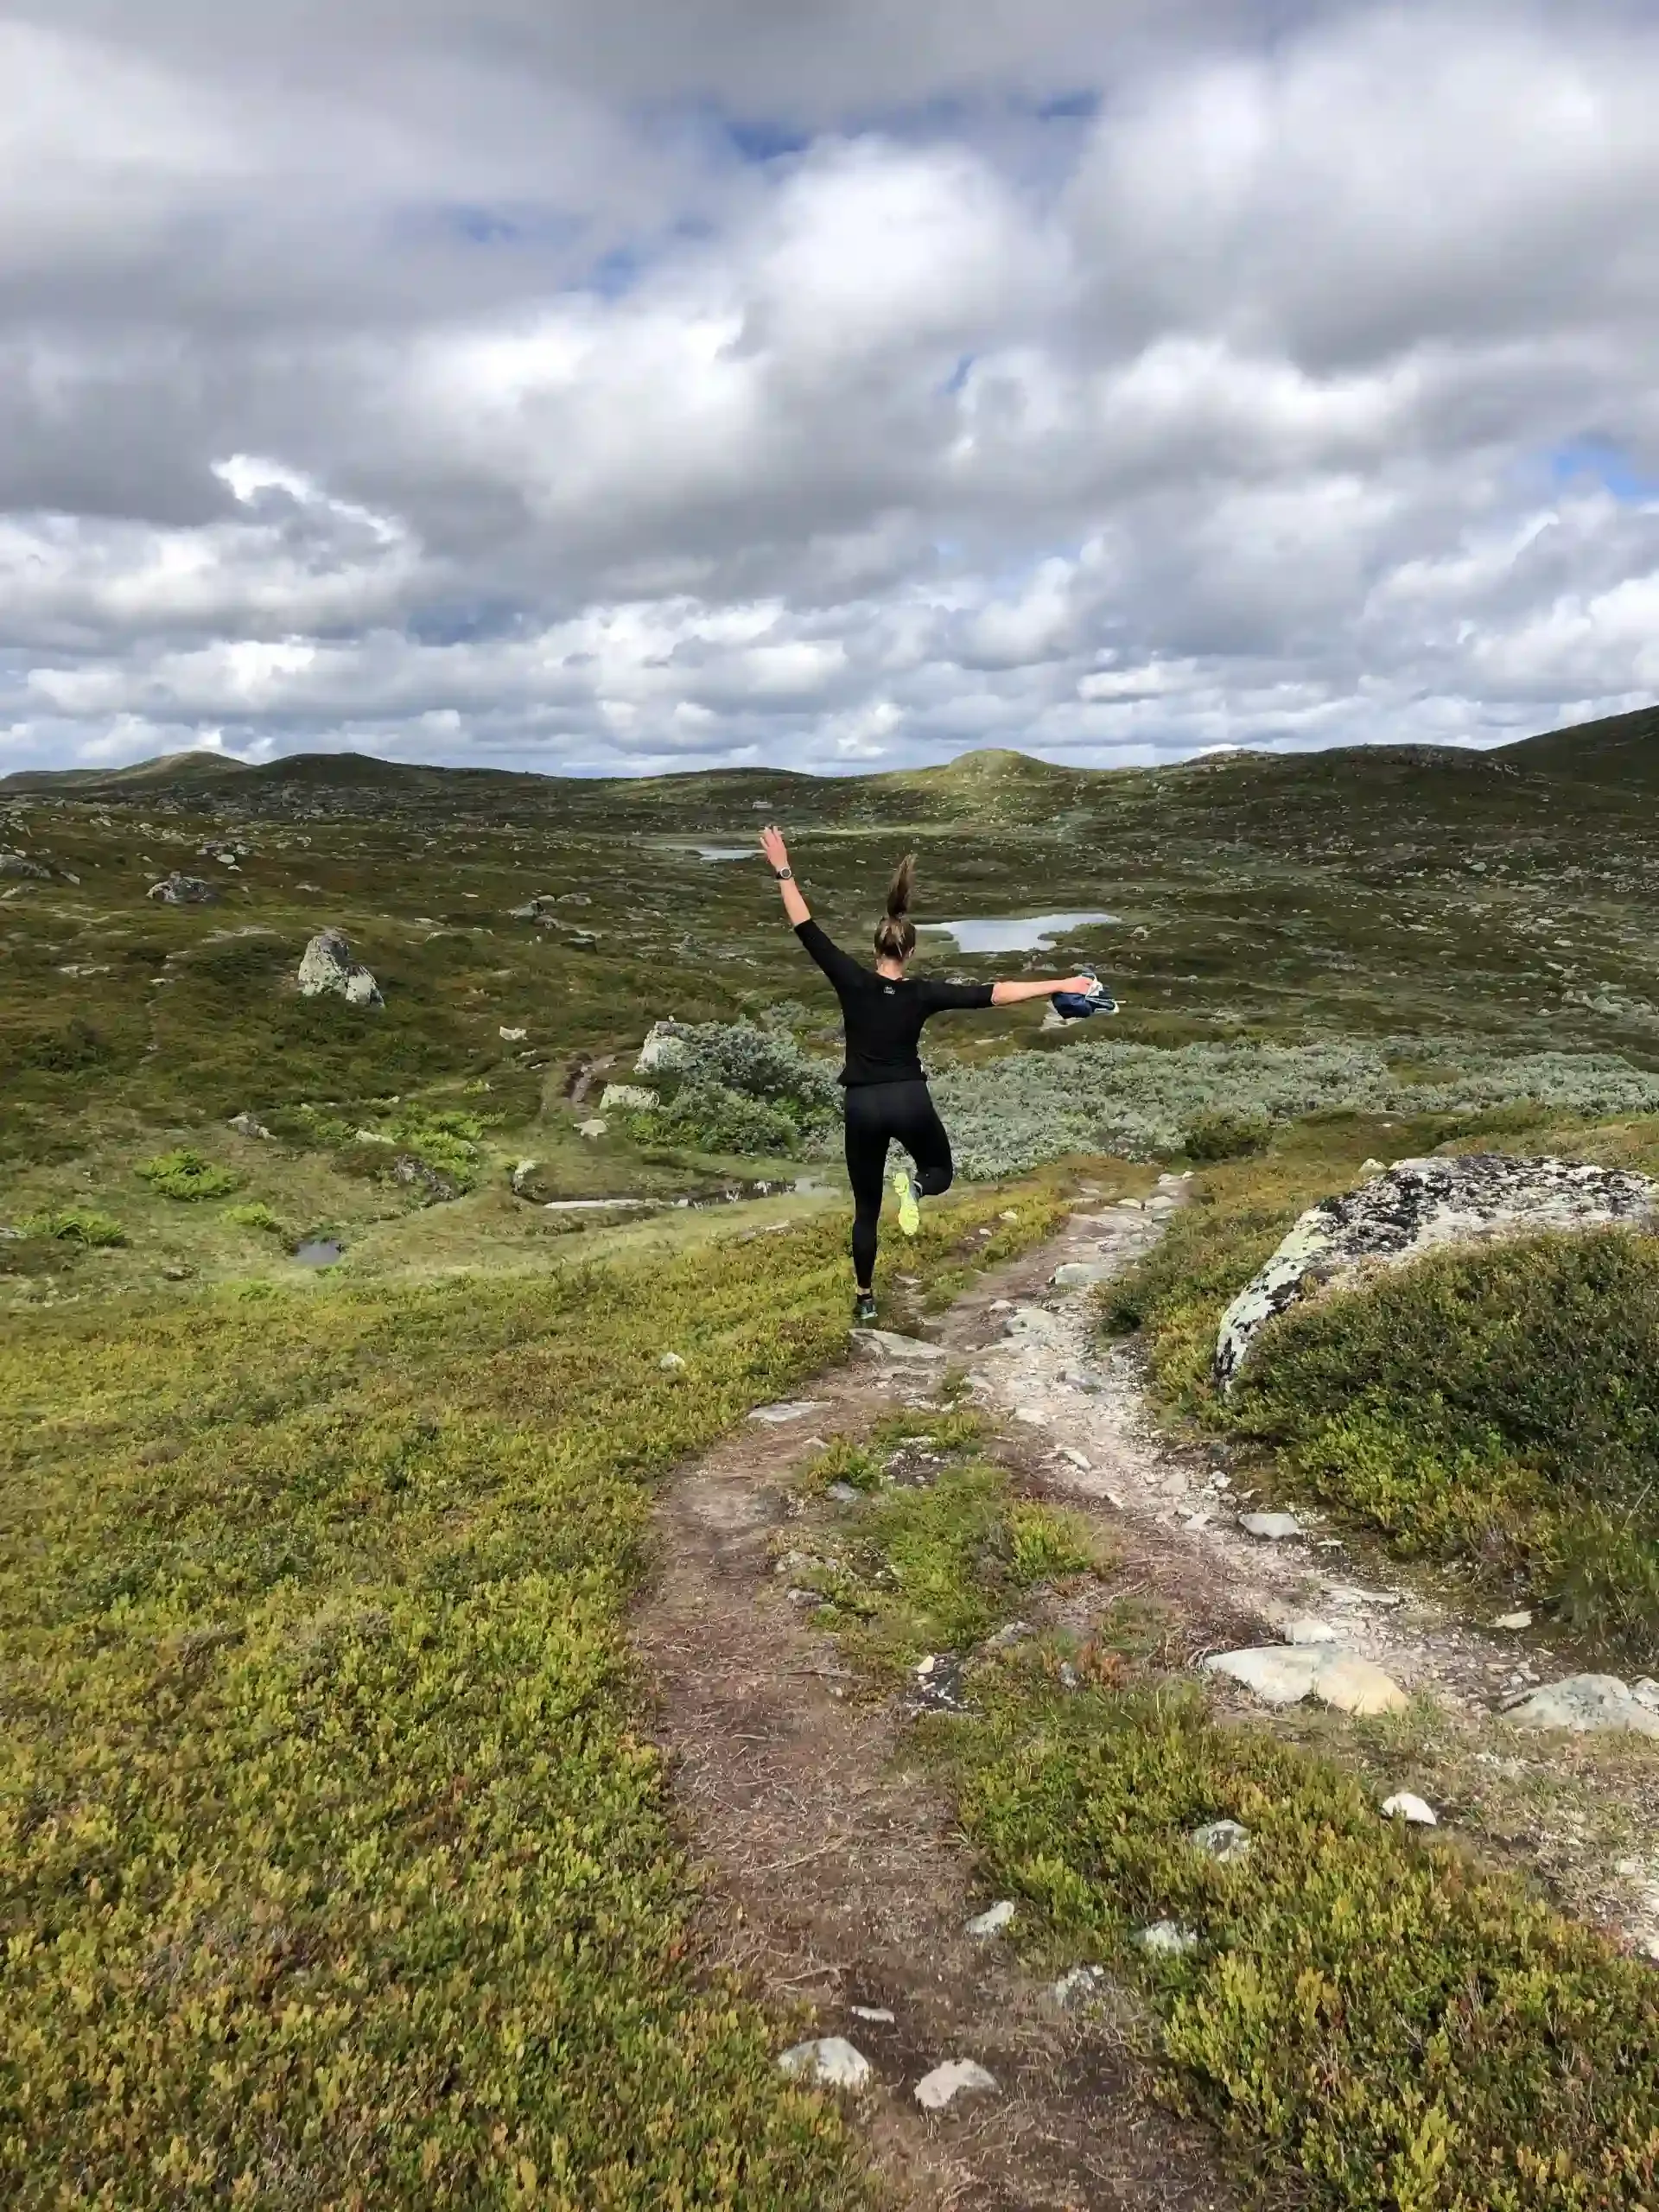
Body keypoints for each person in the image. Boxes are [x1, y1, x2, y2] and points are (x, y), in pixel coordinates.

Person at [760, 825, 1101, 1324]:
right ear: (911, 952)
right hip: (908, 1098)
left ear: (876, 948)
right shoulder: (922, 994)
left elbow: (805, 925)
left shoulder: (850, 980)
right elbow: (996, 992)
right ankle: (916, 1190)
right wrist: (1062, 983)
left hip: (862, 1104)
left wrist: (782, 867)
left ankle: (865, 1297)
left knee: (865, 1207)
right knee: (939, 1170)